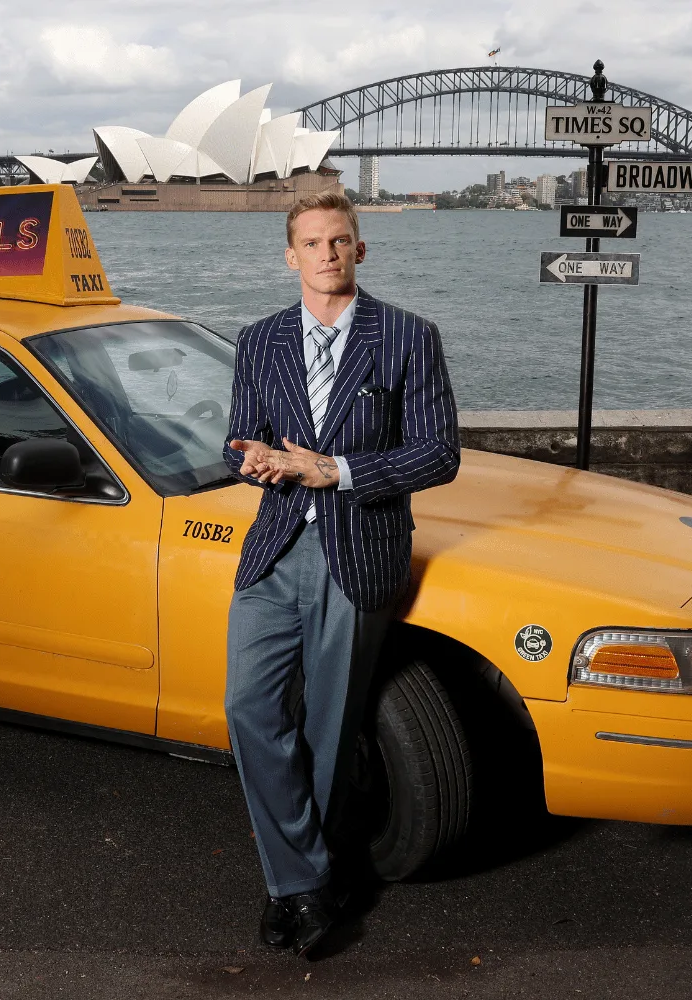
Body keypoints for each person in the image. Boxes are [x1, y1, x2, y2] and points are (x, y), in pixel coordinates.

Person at [222, 191, 460, 957]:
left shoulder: (409, 336)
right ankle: (311, 879)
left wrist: (338, 470)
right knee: (249, 708)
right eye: (312, 243)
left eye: (338, 240)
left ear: (360, 248)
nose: (326, 253)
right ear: (290, 256)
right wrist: (254, 458)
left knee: (330, 728)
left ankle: (294, 890)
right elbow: (240, 435)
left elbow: (439, 454)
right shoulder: (258, 340)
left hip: (357, 549)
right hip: (275, 547)